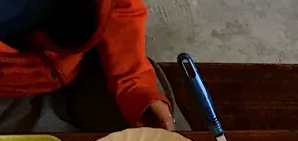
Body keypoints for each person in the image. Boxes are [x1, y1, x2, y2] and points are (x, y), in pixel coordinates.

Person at [0, 0, 184, 133]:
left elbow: (119, 8)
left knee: (160, 134)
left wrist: (134, 84)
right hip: (10, 94)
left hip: (88, 65)